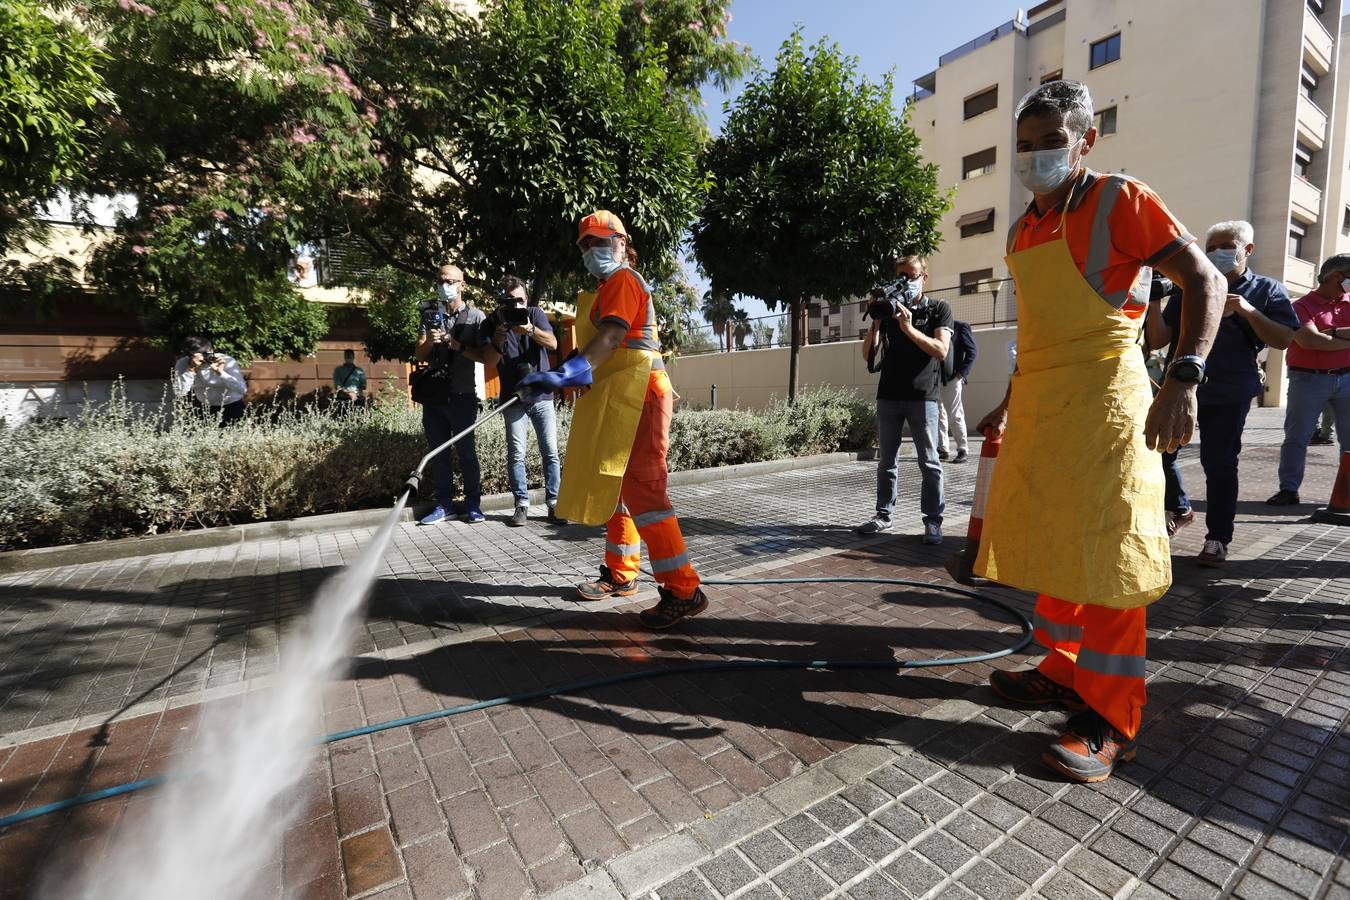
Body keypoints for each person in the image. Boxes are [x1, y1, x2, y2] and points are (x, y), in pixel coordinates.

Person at [974, 80, 1223, 782]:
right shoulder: (1023, 227)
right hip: (1048, 406)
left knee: (1113, 556)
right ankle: (1062, 669)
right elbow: (1037, 332)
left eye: (1051, 142)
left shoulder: (1120, 200)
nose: (1035, 156)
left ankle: (1113, 719)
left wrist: (1184, 378)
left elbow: (1203, 279)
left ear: (1085, 141)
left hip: (1111, 401)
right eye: (1023, 146)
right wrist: (1010, 401)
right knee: (1058, 543)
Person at [519, 210, 706, 630]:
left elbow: (612, 336)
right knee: (620, 488)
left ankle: (683, 590)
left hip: (639, 393)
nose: (591, 250)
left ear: (623, 243)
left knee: (645, 493)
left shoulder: (623, 280)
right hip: (624, 393)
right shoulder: (608, 287)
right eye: (585, 244)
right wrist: (568, 371)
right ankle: (622, 576)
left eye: (600, 242)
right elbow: (604, 347)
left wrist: (568, 371)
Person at [1144, 221, 1297, 565]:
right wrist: (1153, 302)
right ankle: (1181, 508)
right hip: (1178, 386)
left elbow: (1283, 340)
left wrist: (1246, 309)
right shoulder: (1189, 287)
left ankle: (1217, 538)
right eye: (1210, 247)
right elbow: (1157, 340)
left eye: (1225, 246)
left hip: (1229, 391)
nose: (1215, 253)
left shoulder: (1268, 290)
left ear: (1248, 249)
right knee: (1160, 454)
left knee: (1219, 463)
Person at [852, 256, 953, 545]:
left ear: (924, 277)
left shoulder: (938, 309)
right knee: (886, 462)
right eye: (901, 276)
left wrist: (908, 328)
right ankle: (883, 515)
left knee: (930, 462)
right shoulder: (891, 309)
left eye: (912, 276)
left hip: (923, 397)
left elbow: (941, 350)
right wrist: (876, 319)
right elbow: (867, 356)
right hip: (889, 395)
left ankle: (933, 521)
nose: (906, 282)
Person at [479, 275, 564, 527]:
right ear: (501, 302)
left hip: (541, 395)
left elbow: (553, 342)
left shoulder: (535, 314)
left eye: (519, 300)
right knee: (517, 454)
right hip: (512, 398)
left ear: (525, 299)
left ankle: (555, 504)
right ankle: (521, 505)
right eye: (509, 301)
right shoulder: (492, 322)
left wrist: (529, 329)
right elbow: (488, 361)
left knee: (550, 452)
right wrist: (499, 335)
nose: (515, 305)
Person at [1267, 253, 1350, 504]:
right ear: (1336, 277)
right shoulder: (1300, 306)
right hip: (1308, 380)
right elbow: (1309, 340)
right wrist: (1340, 338)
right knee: (1297, 438)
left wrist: (1329, 334)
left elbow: (1320, 339)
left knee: (1349, 442)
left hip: (1347, 379)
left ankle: (1345, 494)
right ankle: (1289, 490)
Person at [412, 264, 490, 526]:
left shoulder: (476, 317)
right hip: (434, 397)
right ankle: (444, 506)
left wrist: (457, 345)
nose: (444, 285)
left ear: (462, 285)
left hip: (462, 396)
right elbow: (419, 354)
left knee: (467, 454)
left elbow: (487, 357)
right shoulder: (430, 314)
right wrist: (429, 342)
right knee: (438, 454)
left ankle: (473, 505)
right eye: (440, 280)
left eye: (449, 281)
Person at [174, 336, 248, 425]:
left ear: (212, 349)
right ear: (190, 355)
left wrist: (221, 373)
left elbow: (242, 390)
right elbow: (180, 392)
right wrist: (191, 370)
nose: (205, 358)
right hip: (204, 408)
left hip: (232, 406)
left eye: (206, 354)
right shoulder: (184, 363)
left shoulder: (226, 360)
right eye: (199, 355)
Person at [937, 319, 977, 463]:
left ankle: (962, 449)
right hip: (935, 378)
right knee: (938, 414)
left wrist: (960, 374)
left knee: (955, 414)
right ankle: (942, 449)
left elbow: (972, 352)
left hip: (953, 378)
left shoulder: (960, 327)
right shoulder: (933, 328)